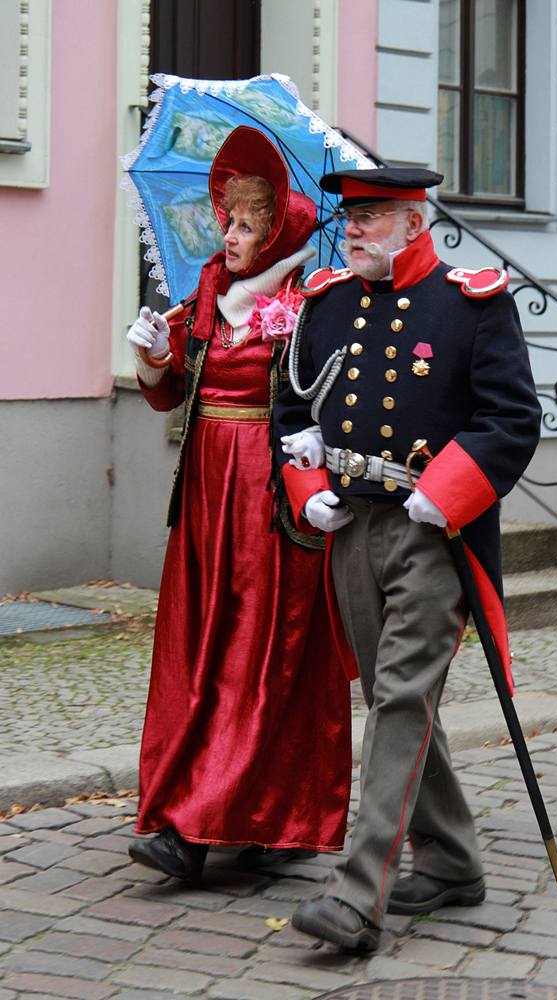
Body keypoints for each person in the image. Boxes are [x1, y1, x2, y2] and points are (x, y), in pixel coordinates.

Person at [273, 167, 542, 950]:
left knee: (398, 699)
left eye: (372, 219)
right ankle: (455, 864)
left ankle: (358, 899)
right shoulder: (326, 305)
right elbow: (290, 406)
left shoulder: (471, 304)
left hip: (435, 534)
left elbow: (511, 417)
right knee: (396, 701)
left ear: (414, 226)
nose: (352, 232)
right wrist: (306, 481)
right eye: (351, 220)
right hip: (354, 526)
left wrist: (451, 489)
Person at [124, 126, 351, 881]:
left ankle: (215, 824)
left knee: (259, 654)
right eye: (227, 217)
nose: (231, 232)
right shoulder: (208, 294)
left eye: (248, 220)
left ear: (278, 225)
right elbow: (168, 395)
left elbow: (323, 409)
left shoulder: (305, 303)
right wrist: (153, 354)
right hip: (203, 495)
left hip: (266, 500)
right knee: (198, 648)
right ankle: (211, 807)